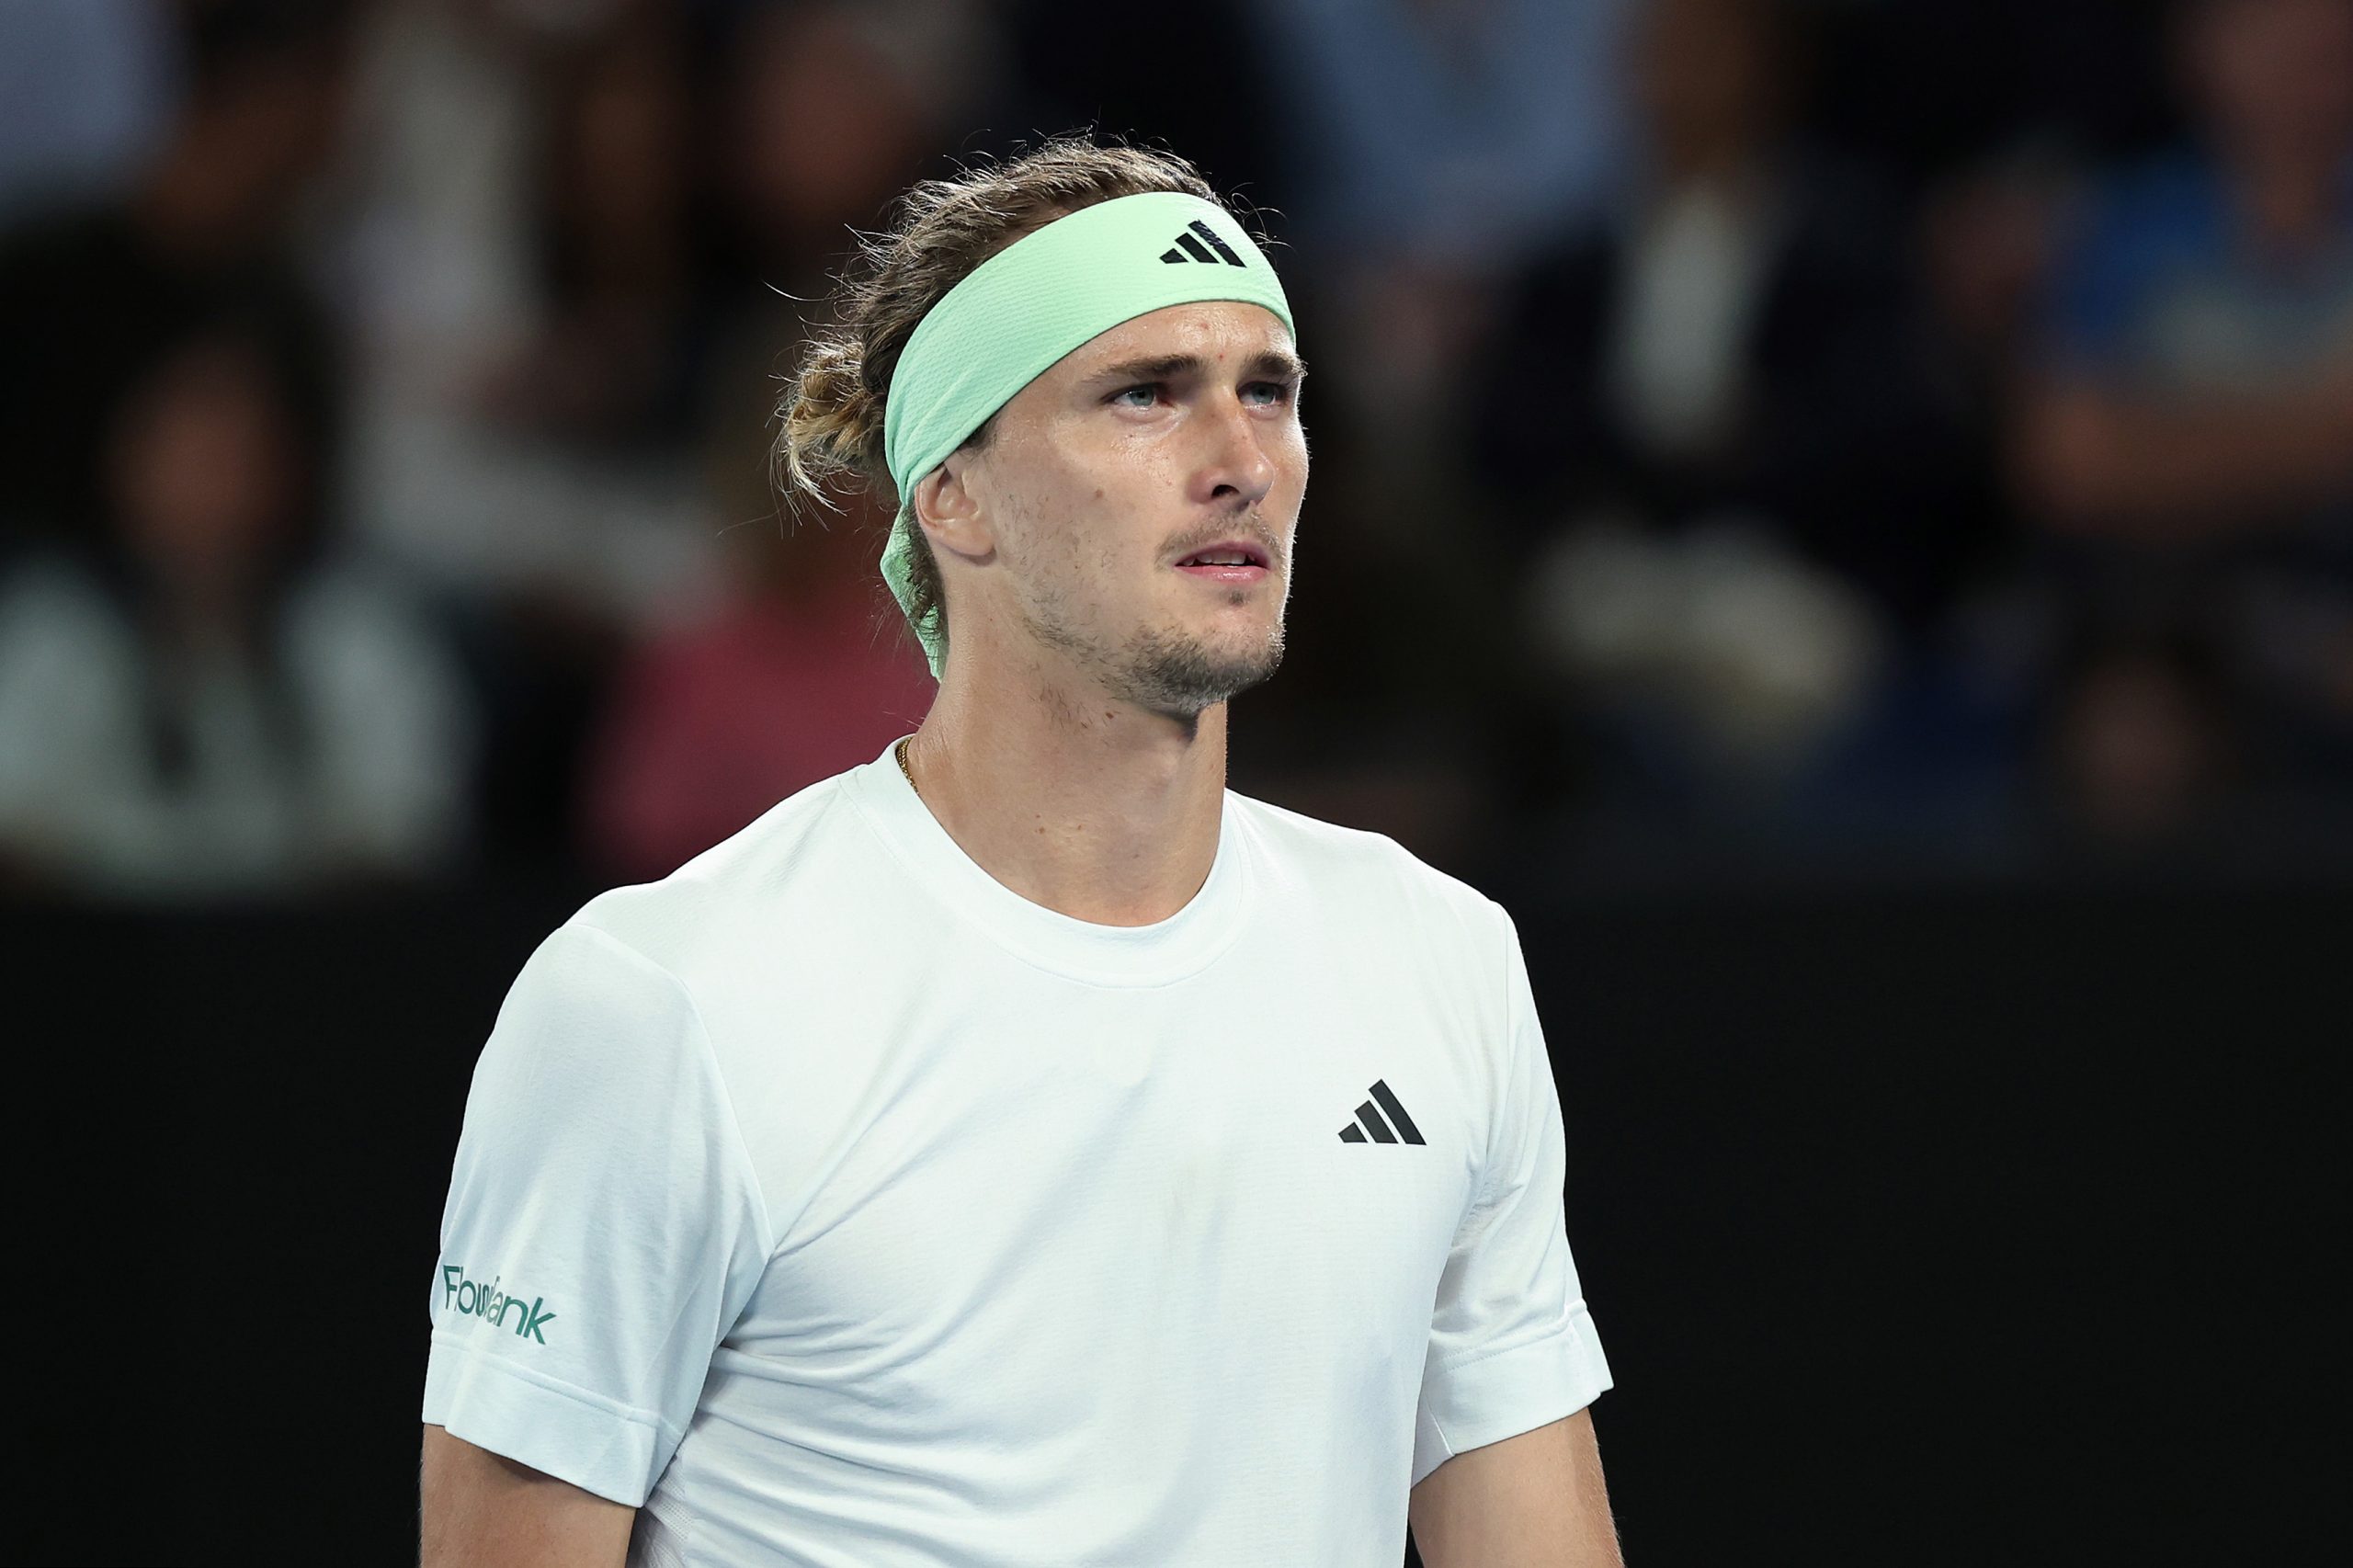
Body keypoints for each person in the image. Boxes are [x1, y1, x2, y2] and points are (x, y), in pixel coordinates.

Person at [418, 139, 1620, 1567]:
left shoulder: (1441, 962)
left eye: (1270, 392)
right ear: (955, 495)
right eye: (1144, 395)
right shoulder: (662, 1001)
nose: (1239, 461)